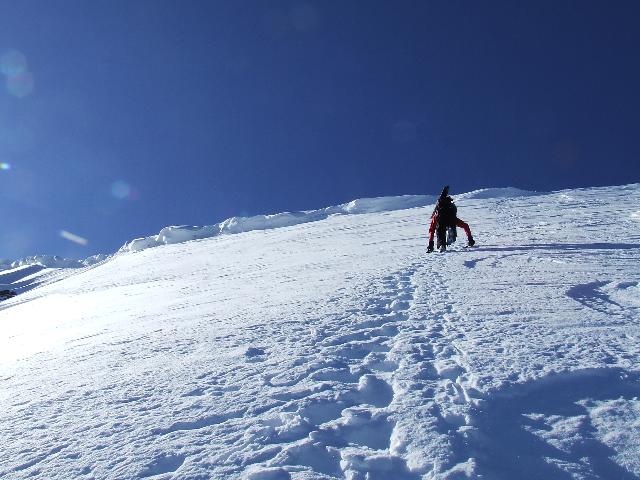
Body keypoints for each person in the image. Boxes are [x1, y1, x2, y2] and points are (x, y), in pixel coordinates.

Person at [427, 186, 475, 252]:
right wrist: (470, 239)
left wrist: (430, 244)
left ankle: (442, 244)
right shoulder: (451, 213)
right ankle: (451, 232)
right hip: (451, 220)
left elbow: (431, 230)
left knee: (440, 229)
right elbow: (465, 226)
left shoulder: (436, 216)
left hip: (440, 220)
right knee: (452, 225)